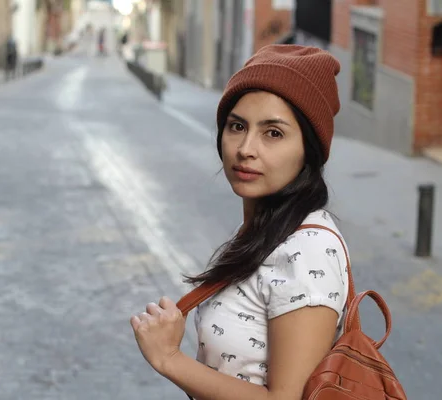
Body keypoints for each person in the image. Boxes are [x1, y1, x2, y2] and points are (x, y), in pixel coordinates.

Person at [130, 45, 349, 400]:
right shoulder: (265, 232)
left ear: (309, 149)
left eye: (273, 133)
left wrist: (169, 359)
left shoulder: (307, 250)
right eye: (237, 126)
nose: (246, 148)